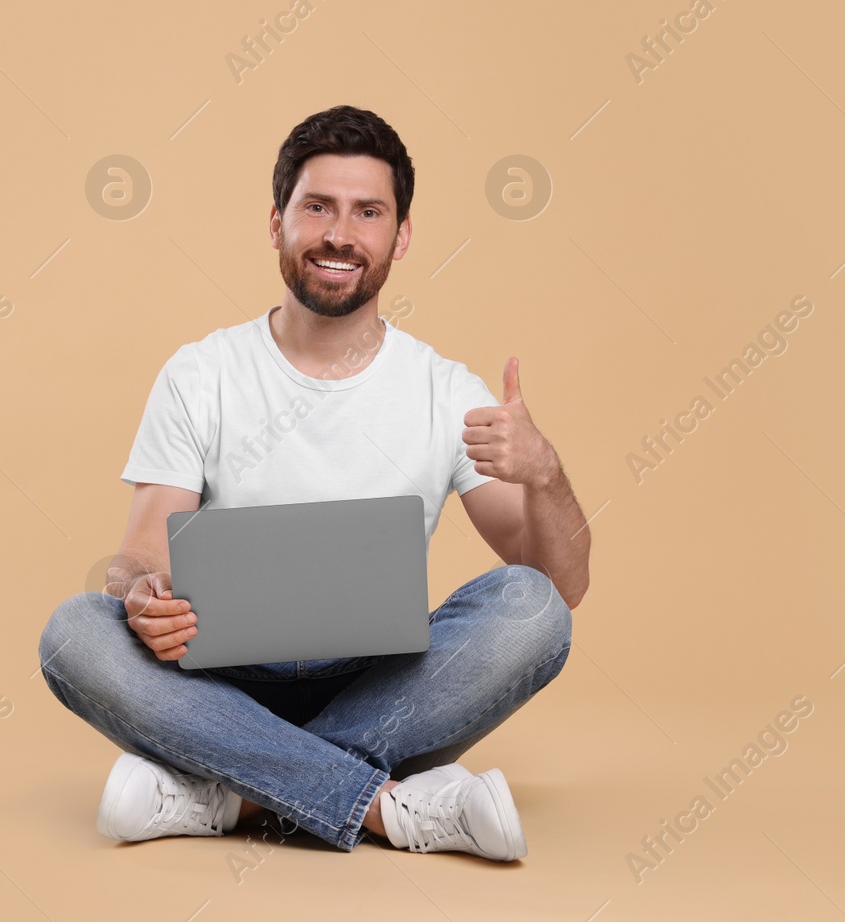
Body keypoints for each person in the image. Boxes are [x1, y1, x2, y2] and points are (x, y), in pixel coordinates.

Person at [38, 105, 591, 859]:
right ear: (277, 222)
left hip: (382, 686)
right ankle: (388, 807)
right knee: (75, 632)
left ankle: (228, 790)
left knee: (534, 611)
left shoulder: (445, 390)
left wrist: (545, 473)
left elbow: (562, 582)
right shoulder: (202, 373)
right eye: (318, 207)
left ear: (399, 236)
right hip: (218, 681)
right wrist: (136, 593)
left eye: (368, 211)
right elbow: (137, 558)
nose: (340, 234)